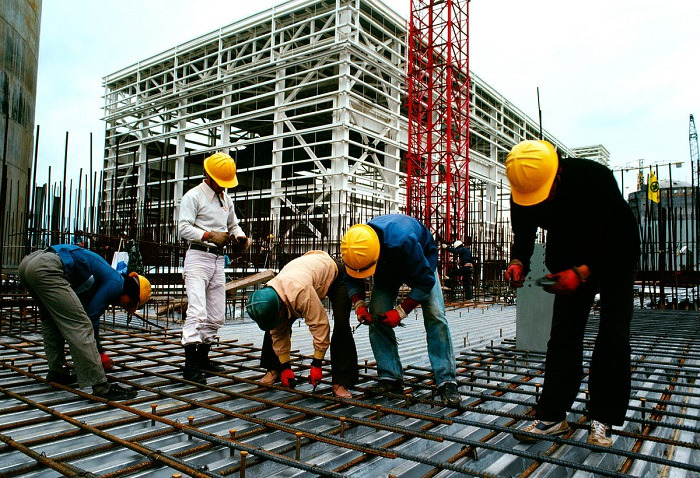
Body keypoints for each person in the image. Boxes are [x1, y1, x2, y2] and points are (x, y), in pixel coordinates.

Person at [504, 140, 640, 447]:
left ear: (558, 174)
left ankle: (603, 417)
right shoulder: (525, 186)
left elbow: (622, 238)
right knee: (564, 334)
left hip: (614, 254)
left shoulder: (595, 179)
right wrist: (519, 260)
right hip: (568, 254)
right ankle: (553, 415)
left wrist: (583, 272)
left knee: (613, 334)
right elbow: (523, 228)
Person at [340, 214, 461, 406]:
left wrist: (401, 311)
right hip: (387, 267)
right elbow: (351, 277)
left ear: (376, 254)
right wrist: (360, 305)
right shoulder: (356, 245)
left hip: (421, 265)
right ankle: (390, 377)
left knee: (436, 316)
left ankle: (446, 380)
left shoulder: (404, 241)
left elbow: (425, 281)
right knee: (377, 313)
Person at [18, 244, 151, 400]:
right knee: (81, 325)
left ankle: (56, 371)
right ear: (131, 294)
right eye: (130, 304)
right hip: (46, 268)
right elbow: (90, 317)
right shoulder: (116, 282)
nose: (125, 307)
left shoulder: (103, 276)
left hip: (28, 264)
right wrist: (100, 353)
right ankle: (101, 386)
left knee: (51, 320)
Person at [177, 151, 251, 384]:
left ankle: (202, 359)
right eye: (221, 183)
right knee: (197, 312)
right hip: (198, 257)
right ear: (209, 176)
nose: (224, 187)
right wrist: (208, 235)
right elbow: (183, 228)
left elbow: (234, 224)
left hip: (217, 260)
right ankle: (190, 366)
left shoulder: (225, 199)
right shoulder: (194, 197)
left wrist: (240, 237)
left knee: (217, 315)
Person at [245, 251, 358, 398]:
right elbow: (278, 332)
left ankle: (341, 381)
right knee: (273, 324)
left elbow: (320, 325)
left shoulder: (300, 292)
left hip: (335, 274)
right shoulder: (269, 294)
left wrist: (317, 363)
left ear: (281, 304)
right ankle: (274, 369)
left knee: (342, 325)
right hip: (307, 271)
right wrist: (285, 366)